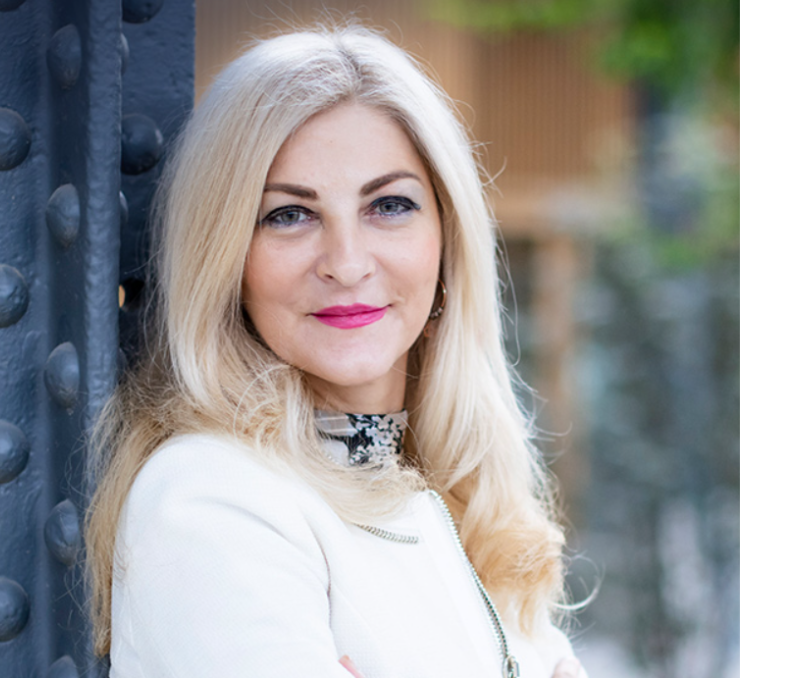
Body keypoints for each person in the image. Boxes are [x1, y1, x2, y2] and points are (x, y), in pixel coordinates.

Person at [84, 24, 588, 678]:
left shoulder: (467, 507)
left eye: (389, 205)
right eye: (288, 215)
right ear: (226, 258)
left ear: (447, 242)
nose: (347, 264)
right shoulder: (211, 498)